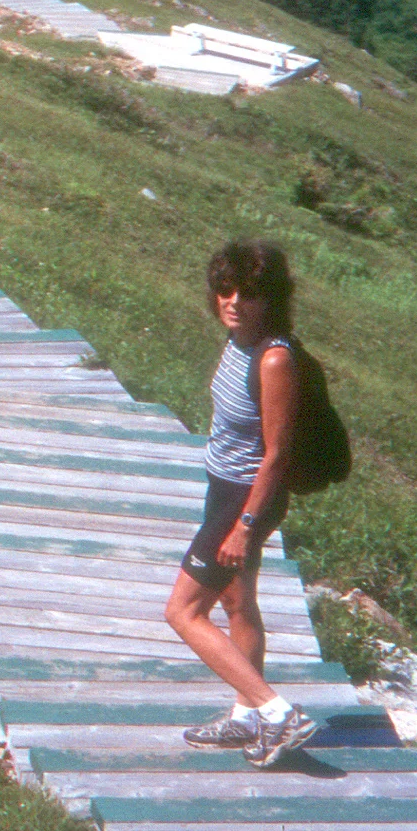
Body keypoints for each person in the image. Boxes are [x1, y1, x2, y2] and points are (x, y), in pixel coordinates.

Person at [163, 238, 320, 766]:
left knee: (183, 612)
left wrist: (245, 526)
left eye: (248, 293)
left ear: (270, 299)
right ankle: (244, 719)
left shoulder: (274, 359)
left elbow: (277, 454)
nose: (233, 301)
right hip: (224, 489)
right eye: (224, 290)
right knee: (236, 602)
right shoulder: (238, 341)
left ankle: (276, 712)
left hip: (245, 500)